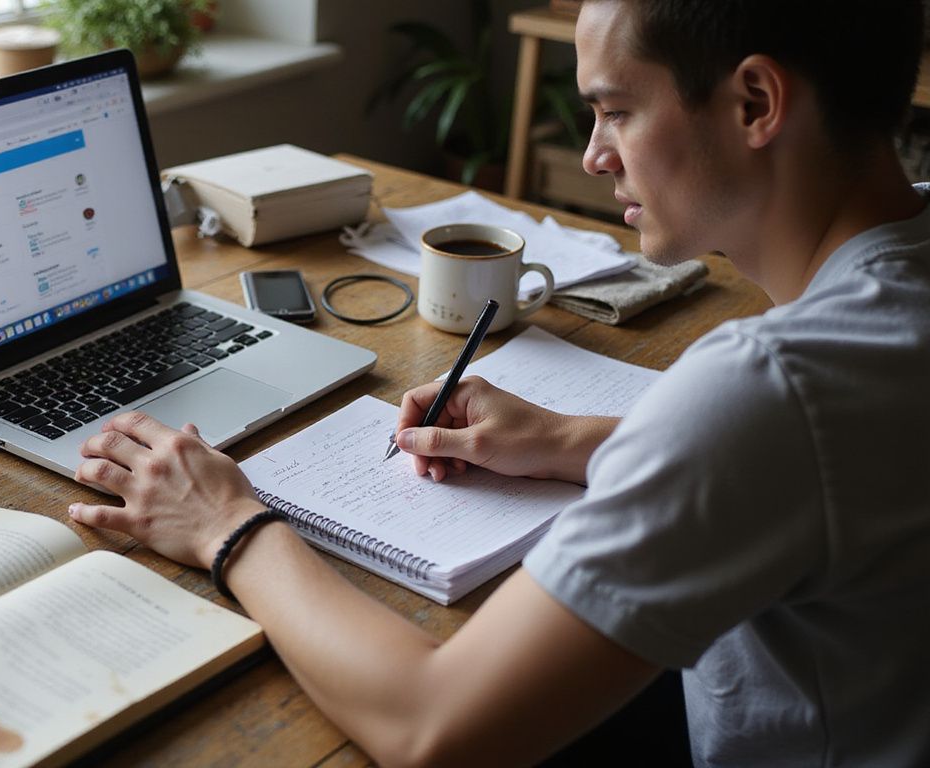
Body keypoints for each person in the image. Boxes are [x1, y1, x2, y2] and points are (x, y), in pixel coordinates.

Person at [69, 0, 930, 764]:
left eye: (616, 111)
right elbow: (833, 466)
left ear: (755, 104)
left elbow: (433, 728)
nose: (595, 155)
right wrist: (571, 441)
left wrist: (228, 524)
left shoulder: (772, 388)